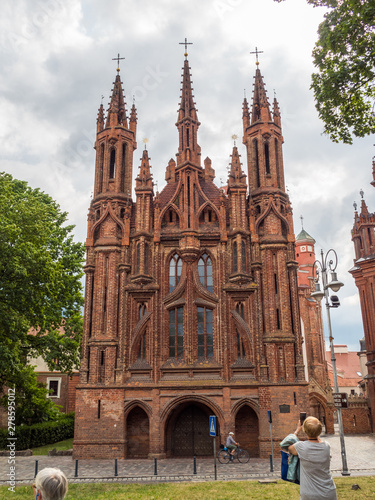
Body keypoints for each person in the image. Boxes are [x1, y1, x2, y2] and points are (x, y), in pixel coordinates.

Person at [288, 416, 337, 500]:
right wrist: (315, 432)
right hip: (329, 493)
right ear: (320, 430)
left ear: (305, 430)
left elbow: (289, 447)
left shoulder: (301, 447)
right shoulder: (326, 446)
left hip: (309, 495)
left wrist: (297, 430)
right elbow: (318, 440)